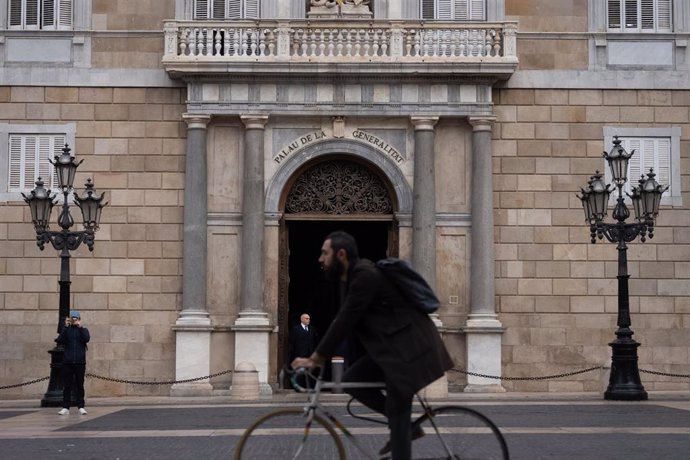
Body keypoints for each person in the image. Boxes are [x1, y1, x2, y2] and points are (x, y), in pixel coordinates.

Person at [292, 231, 453, 459]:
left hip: (411, 353)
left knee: (398, 418)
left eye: (324, 253)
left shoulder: (365, 276)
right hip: (393, 352)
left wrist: (316, 357)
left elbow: (346, 319)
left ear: (341, 255)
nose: (320, 259)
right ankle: (408, 427)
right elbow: (346, 319)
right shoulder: (356, 278)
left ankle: (404, 430)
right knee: (351, 381)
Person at [56, 310, 90, 415]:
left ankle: (81, 406)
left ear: (79, 319)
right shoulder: (67, 330)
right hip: (68, 362)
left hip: (80, 362)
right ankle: (66, 407)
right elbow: (59, 340)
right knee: (67, 385)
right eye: (73, 319)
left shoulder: (83, 330)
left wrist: (80, 327)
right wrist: (65, 327)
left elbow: (86, 339)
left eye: (76, 319)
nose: (74, 320)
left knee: (80, 385)